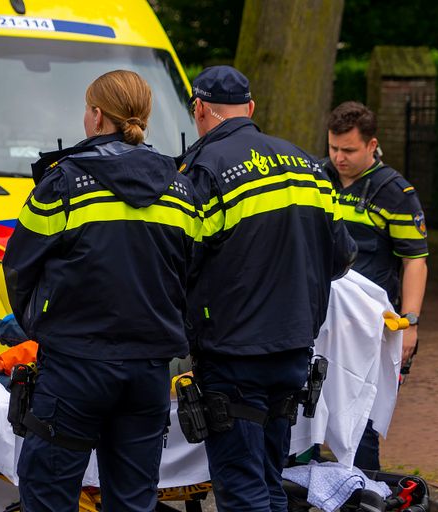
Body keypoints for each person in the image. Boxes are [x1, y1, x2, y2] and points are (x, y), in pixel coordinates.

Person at [2, 70, 201, 512]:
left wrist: (40, 323)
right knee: (133, 500)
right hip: (148, 371)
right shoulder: (182, 188)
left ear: (95, 115)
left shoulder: (63, 183)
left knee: (50, 495)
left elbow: (18, 267)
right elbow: (195, 274)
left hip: (75, 367)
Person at [179, 65, 356, 512]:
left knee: (242, 489)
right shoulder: (309, 166)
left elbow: (183, 260)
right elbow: (342, 257)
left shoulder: (205, 169)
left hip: (233, 353)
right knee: (270, 481)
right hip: (294, 349)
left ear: (199, 108)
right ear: (251, 108)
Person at [325, 101, 428, 470]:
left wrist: (410, 322)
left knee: (362, 422)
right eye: (333, 147)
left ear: (372, 145)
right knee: (307, 416)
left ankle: (364, 494)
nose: (339, 157)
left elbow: (414, 259)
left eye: (349, 150)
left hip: (372, 327)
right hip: (323, 322)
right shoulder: (319, 179)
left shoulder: (395, 193)